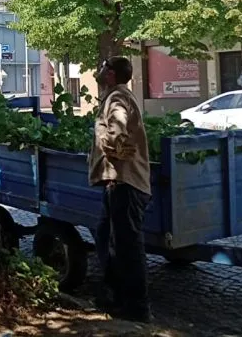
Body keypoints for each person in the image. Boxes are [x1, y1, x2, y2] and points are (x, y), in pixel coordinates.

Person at [89, 56, 152, 323]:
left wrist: (108, 138)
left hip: (124, 183)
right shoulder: (119, 95)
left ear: (111, 74)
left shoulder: (116, 99)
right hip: (118, 182)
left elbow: (117, 130)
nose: (100, 69)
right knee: (108, 238)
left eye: (104, 66)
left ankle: (136, 308)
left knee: (127, 247)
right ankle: (113, 298)